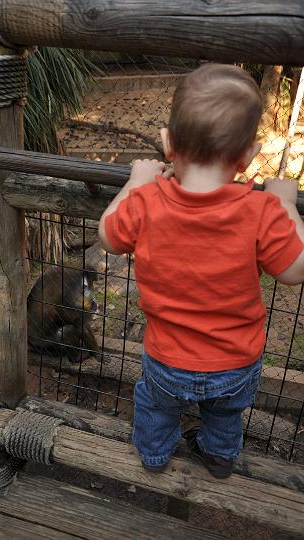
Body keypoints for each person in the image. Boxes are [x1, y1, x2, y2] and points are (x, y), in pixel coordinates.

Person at [98, 63, 304, 479]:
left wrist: (136, 182)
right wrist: (285, 204)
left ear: (168, 145)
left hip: (166, 358)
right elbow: (295, 270)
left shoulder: (147, 202)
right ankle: (219, 456)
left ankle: (154, 456)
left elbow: (109, 237)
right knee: (225, 413)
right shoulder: (261, 211)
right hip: (234, 361)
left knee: (155, 405)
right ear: (248, 156)